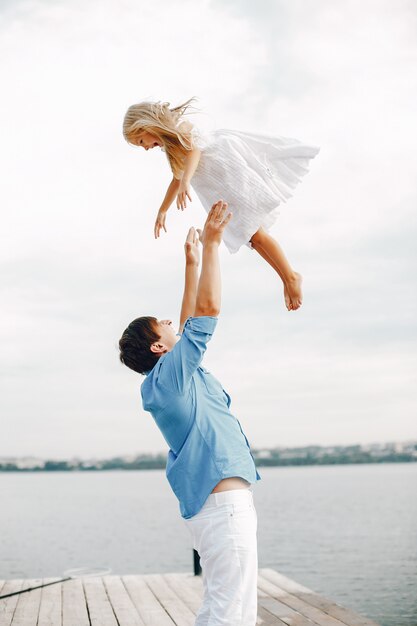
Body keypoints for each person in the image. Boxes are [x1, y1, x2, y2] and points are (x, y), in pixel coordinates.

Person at [119, 201, 261, 625]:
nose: (169, 320)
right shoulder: (171, 377)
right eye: (159, 323)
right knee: (226, 612)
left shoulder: (170, 378)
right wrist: (214, 244)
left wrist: (192, 262)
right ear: (159, 348)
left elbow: (187, 318)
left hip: (221, 506)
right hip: (223, 508)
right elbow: (207, 312)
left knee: (237, 610)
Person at [122, 98, 320, 311]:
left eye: (141, 141)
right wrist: (163, 210)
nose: (145, 149)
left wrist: (187, 180)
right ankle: (287, 277)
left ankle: (290, 276)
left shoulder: (182, 127)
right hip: (216, 185)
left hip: (227, 173)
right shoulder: (169, 149)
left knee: (252, 230)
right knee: (250, 236)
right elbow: (176, 177)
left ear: (146, 125)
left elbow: (195, 151)